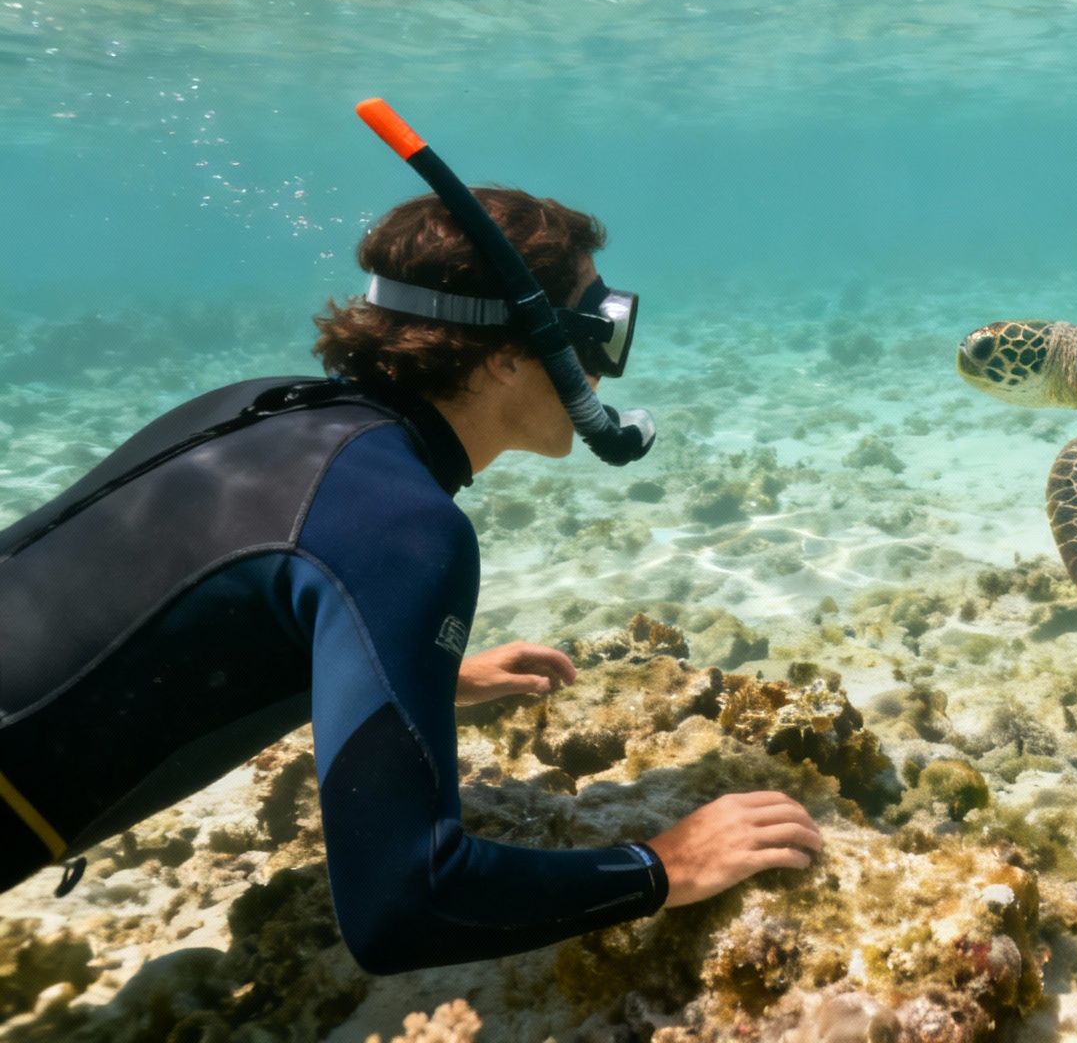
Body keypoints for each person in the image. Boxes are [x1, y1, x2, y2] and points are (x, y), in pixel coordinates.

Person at [0, 187, 822, 974]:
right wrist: (660, 867)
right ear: (506, 356)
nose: (604, 367)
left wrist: (394, 668)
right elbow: (406, 903)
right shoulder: (405, 528)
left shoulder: (260, 407)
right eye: (595, 329)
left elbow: (171, 598)